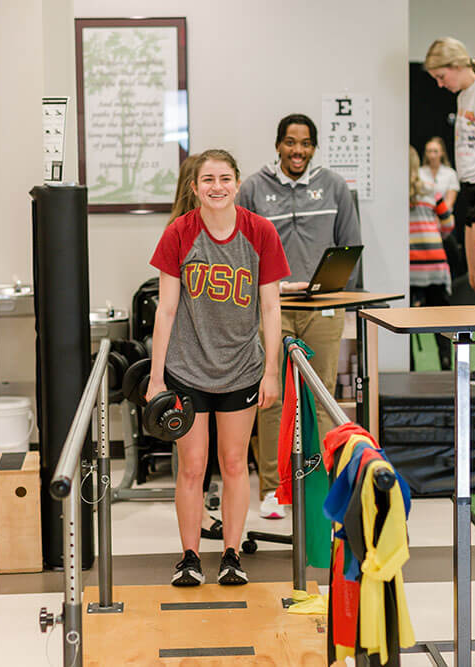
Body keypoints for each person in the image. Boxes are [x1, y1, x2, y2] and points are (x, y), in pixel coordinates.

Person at [148, 149, 290, 586]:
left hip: (241, 369)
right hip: (188, 369)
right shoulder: (179, 233)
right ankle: (189, 556)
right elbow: (166, 311)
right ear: (195, 188)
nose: (216, 187)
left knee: (233, 463)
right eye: (207, 180)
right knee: (192, 466)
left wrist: (271, 371)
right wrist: (155, 378)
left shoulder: (260, 231)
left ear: (237, 183)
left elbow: (270, 307)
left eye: (224, 178)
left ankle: (231, 553)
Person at [238, 113, 362, 519]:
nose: (298, 151)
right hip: (273, 308)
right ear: (278, 145)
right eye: (290, 142)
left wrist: (337, 290)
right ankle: (273, 489)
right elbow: (238, 249)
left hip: (321, 309)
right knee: (271, 397)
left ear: (314, 147)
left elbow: (350, 247)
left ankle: (323, 486)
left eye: (306, 143)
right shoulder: (254, 188)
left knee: (322, 394)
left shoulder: (334, 187)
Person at [424, 37, 475, 384]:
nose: (440, 84)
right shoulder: (464, 95)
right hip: (472, 190)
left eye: (441, 76)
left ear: (456, 65)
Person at [166, 154, 224, 542]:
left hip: (222, 356)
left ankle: (203, 507)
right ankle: (198, 512)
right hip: (190, 356)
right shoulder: (181, 231)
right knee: (193, 452)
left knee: (211, 449)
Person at [408, 146, 455, 371]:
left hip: (409, 266)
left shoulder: (396, 196)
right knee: (442, 319)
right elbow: (448, 224)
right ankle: (446, 361)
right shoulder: (431, 191)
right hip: (435, 262)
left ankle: (410, 366)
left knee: (404, 321)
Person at [420, 136, 459, 214]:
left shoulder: (450, 174)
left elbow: (449, 202)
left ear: (442, 152)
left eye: (435, 151)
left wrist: (440, 217)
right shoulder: (419, 172)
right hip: (423, 219)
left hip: (443, 219)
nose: (432, 155)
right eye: (429, 151)